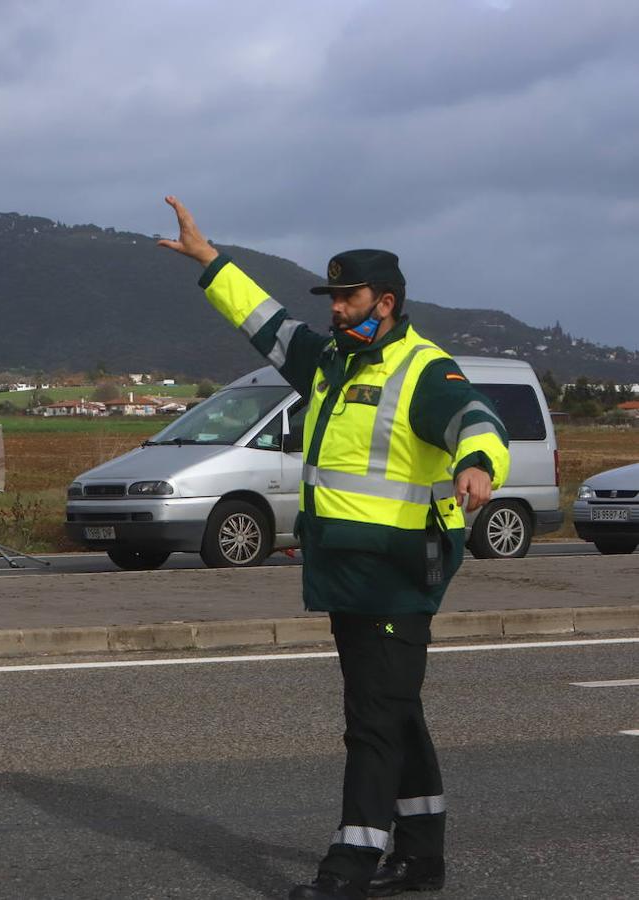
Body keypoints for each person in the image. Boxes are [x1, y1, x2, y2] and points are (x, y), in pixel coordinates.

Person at [158, 197, 510, 900]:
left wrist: (479, 464)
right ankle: (421, 855)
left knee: (372, 722)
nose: (334, 308)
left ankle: (349, 866)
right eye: (333, 297)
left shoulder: (422, 369)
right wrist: (209, 261)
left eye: (346, 298)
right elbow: (266, 324)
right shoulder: (329, 363)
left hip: (398, 573)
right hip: (347, 573)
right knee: (395, 711)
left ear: (384, 301)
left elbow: (477, 418)